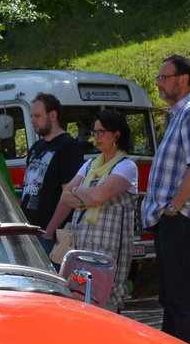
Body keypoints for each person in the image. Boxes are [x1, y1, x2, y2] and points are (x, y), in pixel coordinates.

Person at [140, 54, 190, 344]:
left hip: (181, 218)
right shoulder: (179, 114)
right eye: (158, 77)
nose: (159, 83)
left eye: (165, 77)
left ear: (183, 80)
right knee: (172, 299)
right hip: (170, 219)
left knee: (182, 299)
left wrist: (173, 208)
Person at [43, 108, 140, 311]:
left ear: (117, 134)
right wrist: (86, 197)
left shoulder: (127, 166)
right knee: (78, 310)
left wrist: (78, 191)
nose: (96, 137)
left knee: (106, 310)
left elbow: (98, 196)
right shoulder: (89, 165)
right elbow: (64, 197)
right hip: (81, 250)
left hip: (108, 253)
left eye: (101, 131)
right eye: (94, 132)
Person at [20, 93, 84, 252]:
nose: (32, 120)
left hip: (51, 237)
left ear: (53, 115)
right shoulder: (36, 147)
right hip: (29, 233)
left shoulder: (68, 146)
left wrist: (48, 233)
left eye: (37, 116)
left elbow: (69, 195)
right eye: (31, 116)